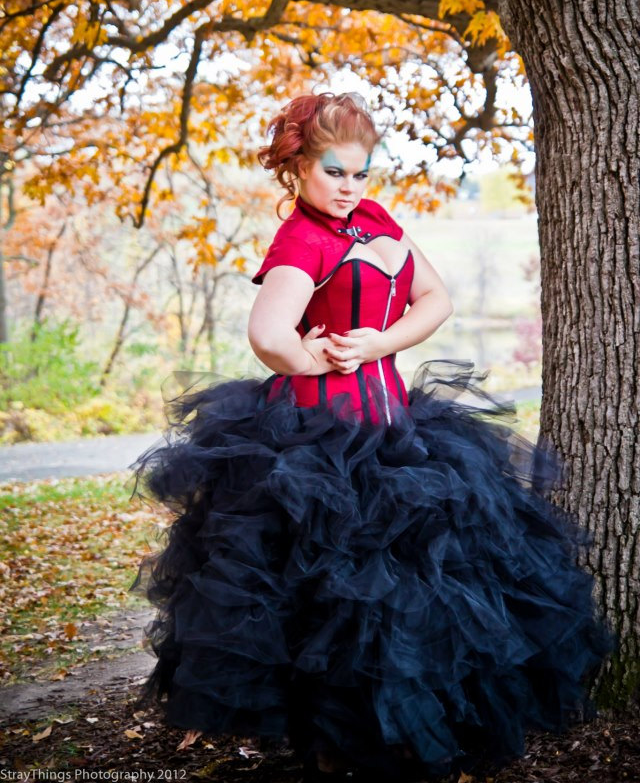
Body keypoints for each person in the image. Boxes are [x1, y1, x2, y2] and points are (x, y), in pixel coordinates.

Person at [130, 91, 614, 782]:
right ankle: (339, 747)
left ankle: (404, 734)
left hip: (396, 432)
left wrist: (378, 342)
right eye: (335, 172)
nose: (350, 187)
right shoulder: (302, 238)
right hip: (320, 446)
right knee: (330, 602)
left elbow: (436, 300)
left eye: (360, 172)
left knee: (409, 592)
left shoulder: (377, 221)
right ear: (297, 165)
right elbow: (268, 334)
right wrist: (315, 358)